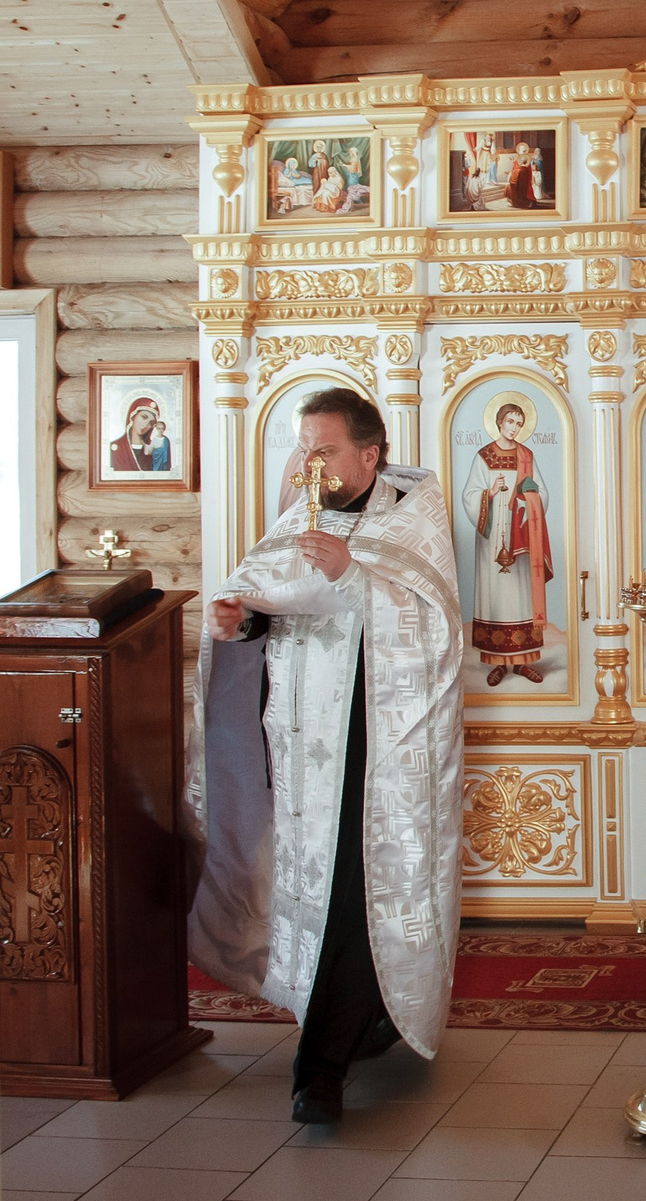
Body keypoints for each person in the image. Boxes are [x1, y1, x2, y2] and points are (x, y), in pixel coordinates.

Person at [189, 387, 465, 1126]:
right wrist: (236, 615)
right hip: (305, 747)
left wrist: (352, 573)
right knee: (316, 891)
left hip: (377, 753)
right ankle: (363, 1019)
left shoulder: (411, 522)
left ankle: (320, 1069)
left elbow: (432, 626)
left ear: (368, 455)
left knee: (356, 889)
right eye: (303, 447)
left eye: (325, 449)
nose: (308, 463)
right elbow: (265, 596)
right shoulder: (298, 516)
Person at [464, 400, 554, 685]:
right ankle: (498, 662)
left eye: (519, 423)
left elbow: (540, 491)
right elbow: (469, 495)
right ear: (499, 422)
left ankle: (524, 662)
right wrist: (489, 492)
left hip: (522, 537)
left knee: (520, 597)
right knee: (496, 598)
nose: (514, 428)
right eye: (510, 422)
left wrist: (527, 500)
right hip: (492, 541)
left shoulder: (526, 455)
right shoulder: (484, 456)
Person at [109, 396, 169, 474]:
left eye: (151, 423)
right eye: (144, 417)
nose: (146, 425)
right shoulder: (115, 448)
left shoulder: (153, 449)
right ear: (133, 416)